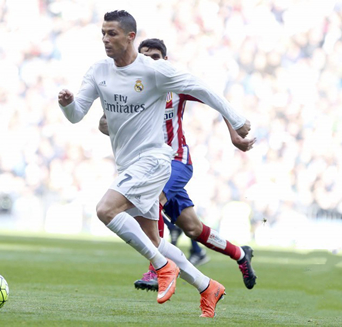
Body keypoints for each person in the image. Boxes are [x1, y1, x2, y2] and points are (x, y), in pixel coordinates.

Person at [58, 10, 251, 318]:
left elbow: (202, 88)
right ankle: (207, 286)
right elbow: (78, 113)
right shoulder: (98, 71)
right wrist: (67, 103)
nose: (106, 39)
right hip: (129, 165)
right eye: (103, 34)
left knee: (106, 210)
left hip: (156, 161)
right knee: (155, 240)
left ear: (130, 36)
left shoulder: (154, 71)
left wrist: (238, 122)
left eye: (113, 34)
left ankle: (162, 268)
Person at [99, 38, 257, 293]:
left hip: (176, 161)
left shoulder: (174, 85)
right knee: (192, 228)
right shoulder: (130, 88)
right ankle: (240, 254)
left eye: (156, 56)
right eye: (145, 56)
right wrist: (106, 125)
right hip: (147, 165)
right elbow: (105, 122)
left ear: (165, 60)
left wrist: (234, 134)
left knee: (153, 199)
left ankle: (156, 269)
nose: (150, 60)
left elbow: (214, 99)